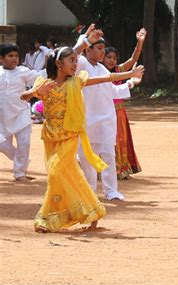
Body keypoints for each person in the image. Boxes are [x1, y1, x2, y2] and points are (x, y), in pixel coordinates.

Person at [21, 46, 143, 233]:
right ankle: (91, 211)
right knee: (66, 176)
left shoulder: (77, 82)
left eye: (75, 60)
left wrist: (130, 73)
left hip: (69, 136)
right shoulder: (43, 82)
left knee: (55, 172)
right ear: (59, 64)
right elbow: (24, 96)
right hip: (50, 138)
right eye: (71, 60)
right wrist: (35, 92)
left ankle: (45, 218)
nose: (75, 63)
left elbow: (107, 78)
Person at [73, 25, 144, 201]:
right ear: (88, 49)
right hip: (86, 120)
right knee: (86, 157)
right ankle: (90, 189)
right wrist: (87, 38)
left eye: (103, 48)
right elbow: (73, 53)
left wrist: (131, 82)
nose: (103, 52)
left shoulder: (103, 69)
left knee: (108, 154)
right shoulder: (80, 63)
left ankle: (111, 190)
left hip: (106, 119)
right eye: (99, 48)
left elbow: (113, 90)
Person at [102, 28, 147, 179]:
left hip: (119, 112)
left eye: (114, 58)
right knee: (107, 140)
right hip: (105, 111)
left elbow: (133, 60)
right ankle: (106, 170)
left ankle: (122, 169)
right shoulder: (99, 72)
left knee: (121, 139)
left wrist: (140, 42)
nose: (111, 60)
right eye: (108, 57)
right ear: (102, 58)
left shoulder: (119, 70)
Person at [0, 43, 42, 181]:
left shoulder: (23, 71)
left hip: (21, 114)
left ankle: (20, 173)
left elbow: (39, 77)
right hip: (2, 116)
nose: (14, 59)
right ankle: (20, 159)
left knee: (24, 143)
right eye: (10, 56)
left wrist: (54, 67)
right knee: (2, 144)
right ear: (1, 58)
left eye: (16, 56)